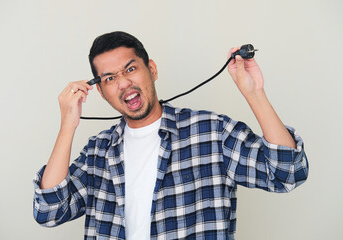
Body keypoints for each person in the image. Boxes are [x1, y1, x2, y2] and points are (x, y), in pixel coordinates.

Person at [33, 31, 308, 240]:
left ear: (151, 69)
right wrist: (68, 125)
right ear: (102, 92)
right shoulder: (98, 152)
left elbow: (287, 173)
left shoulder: (211, 132)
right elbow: (49, 212)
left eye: (130, 69)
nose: (124, 83)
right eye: (109, 78)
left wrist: (254, 93)